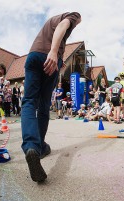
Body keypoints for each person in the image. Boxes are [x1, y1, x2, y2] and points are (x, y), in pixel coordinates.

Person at [21, 12, 81, 182]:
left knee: (29, 102)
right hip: (49, 58)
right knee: (43, 106)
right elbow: (63, 26)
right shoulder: (73, 16)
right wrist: (54, 52)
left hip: (33, 56)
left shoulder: (49, 21)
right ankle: (38, 147)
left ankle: (32, 146)